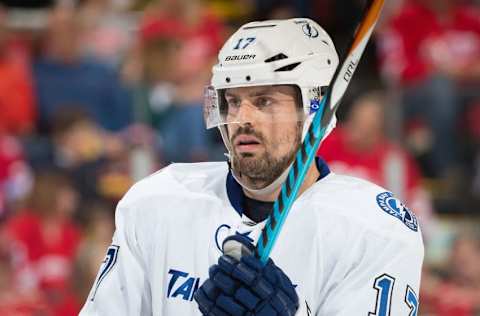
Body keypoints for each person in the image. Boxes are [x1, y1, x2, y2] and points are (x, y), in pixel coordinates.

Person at [80, 18, 424, 315]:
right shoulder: (159, 201)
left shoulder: (373, 229)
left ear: (315, 110)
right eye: (232, 102)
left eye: (264, 101)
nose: (241, 119)